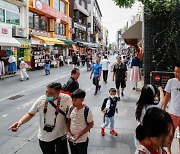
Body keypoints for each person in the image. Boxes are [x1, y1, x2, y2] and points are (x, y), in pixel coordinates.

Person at [8, 82, 72, 154]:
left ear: (58, 92)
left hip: (60, 135)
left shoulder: (66, 99)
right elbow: (30, 114)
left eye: (50, 93)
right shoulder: (41, 100)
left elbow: (72, 113)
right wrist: (20, 122)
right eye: (46, 91)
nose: (47, 94)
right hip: (44, 136)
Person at [66, 89, 94, 154]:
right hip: (71, 138)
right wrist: (67, 131)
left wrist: (79, 135)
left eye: (75, 101)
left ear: (82, 100)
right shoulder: (71, 108)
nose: (73, 102)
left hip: (82, 140)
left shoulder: (86, 111)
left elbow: (91, 124)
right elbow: (68, 120)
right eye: (72, 100)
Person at [162, 62, 180, 154]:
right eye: (175, 71)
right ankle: (169, 151)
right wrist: (163, 108)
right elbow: (167, 96)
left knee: (179, 135)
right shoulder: (171, 82)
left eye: (178, 72)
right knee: (170, 135)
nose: (175, 73)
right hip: (172, 113)